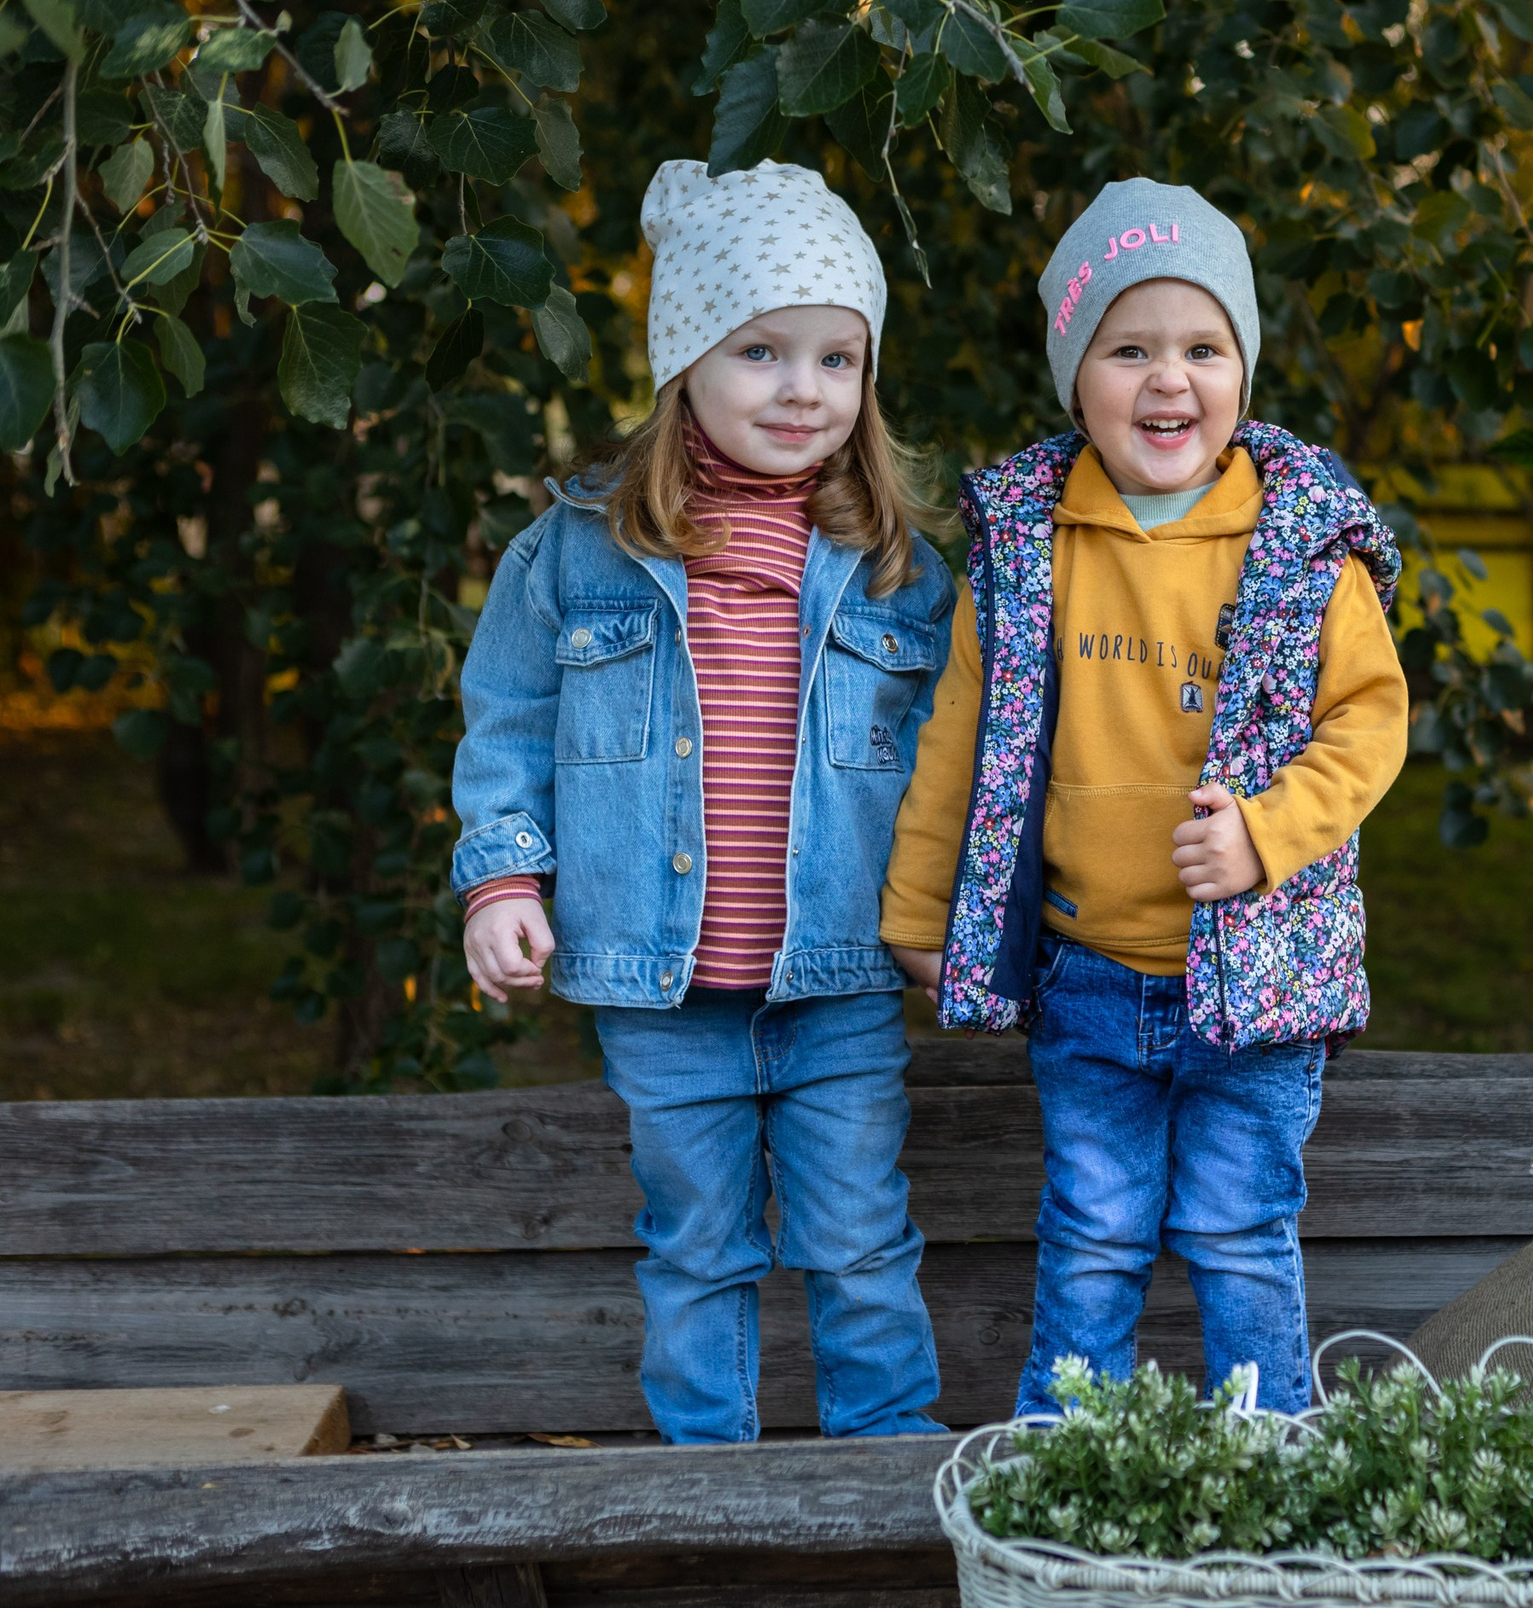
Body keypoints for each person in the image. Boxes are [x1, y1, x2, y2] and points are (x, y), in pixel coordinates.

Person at [879, 179, 1408, 1416]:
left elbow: (1369, 723)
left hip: (1260, 983)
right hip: (1089, 977)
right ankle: (1068, 1476)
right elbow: (958, 740)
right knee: (1093, 1239)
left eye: (1202, 348)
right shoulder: (1031, 544)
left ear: (1243, 369)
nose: (1168, 380)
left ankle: (1272, 1469)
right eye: (1129, 348)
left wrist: (1268, 834)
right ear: (1076, 376)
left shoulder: (1298, 546)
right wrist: (919, 915)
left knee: (1238, 1237)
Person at [449, 159, 951, 1444]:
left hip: (837, 984)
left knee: (857, 1244)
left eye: (838, 359)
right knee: (698, 1251)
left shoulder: (898, 572)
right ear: (685, 363)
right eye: (763, 353)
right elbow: (508, 722)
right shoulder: (576, 552)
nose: (803, 390)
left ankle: (891, 1495)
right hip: (662, 997)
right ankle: (704, 1499)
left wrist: (961, 913)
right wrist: (504, 879)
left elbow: (962, 762)